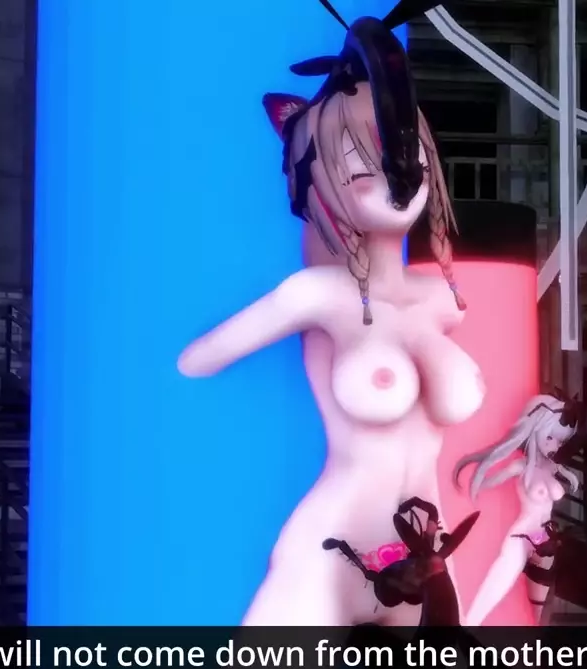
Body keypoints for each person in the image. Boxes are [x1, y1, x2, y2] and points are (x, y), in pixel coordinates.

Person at [177, 14, 484, 626]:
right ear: (318, 178)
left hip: (429, 558)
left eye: (411, 159)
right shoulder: (316, 295)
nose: (398, 179)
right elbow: (194, 362)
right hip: (335, 547)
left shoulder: (442, 300)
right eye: (362, 165)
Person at [453, 394, 587, 626]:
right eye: (550, 437)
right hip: (522, 535)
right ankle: (466, 624)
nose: (554, 445)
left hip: (544, 538)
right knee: (498, 582)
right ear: (536, 430)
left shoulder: (553, 468)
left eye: (560, 441)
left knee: (540, 608)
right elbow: (490, 480)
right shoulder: (520, 467)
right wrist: (477, 482)